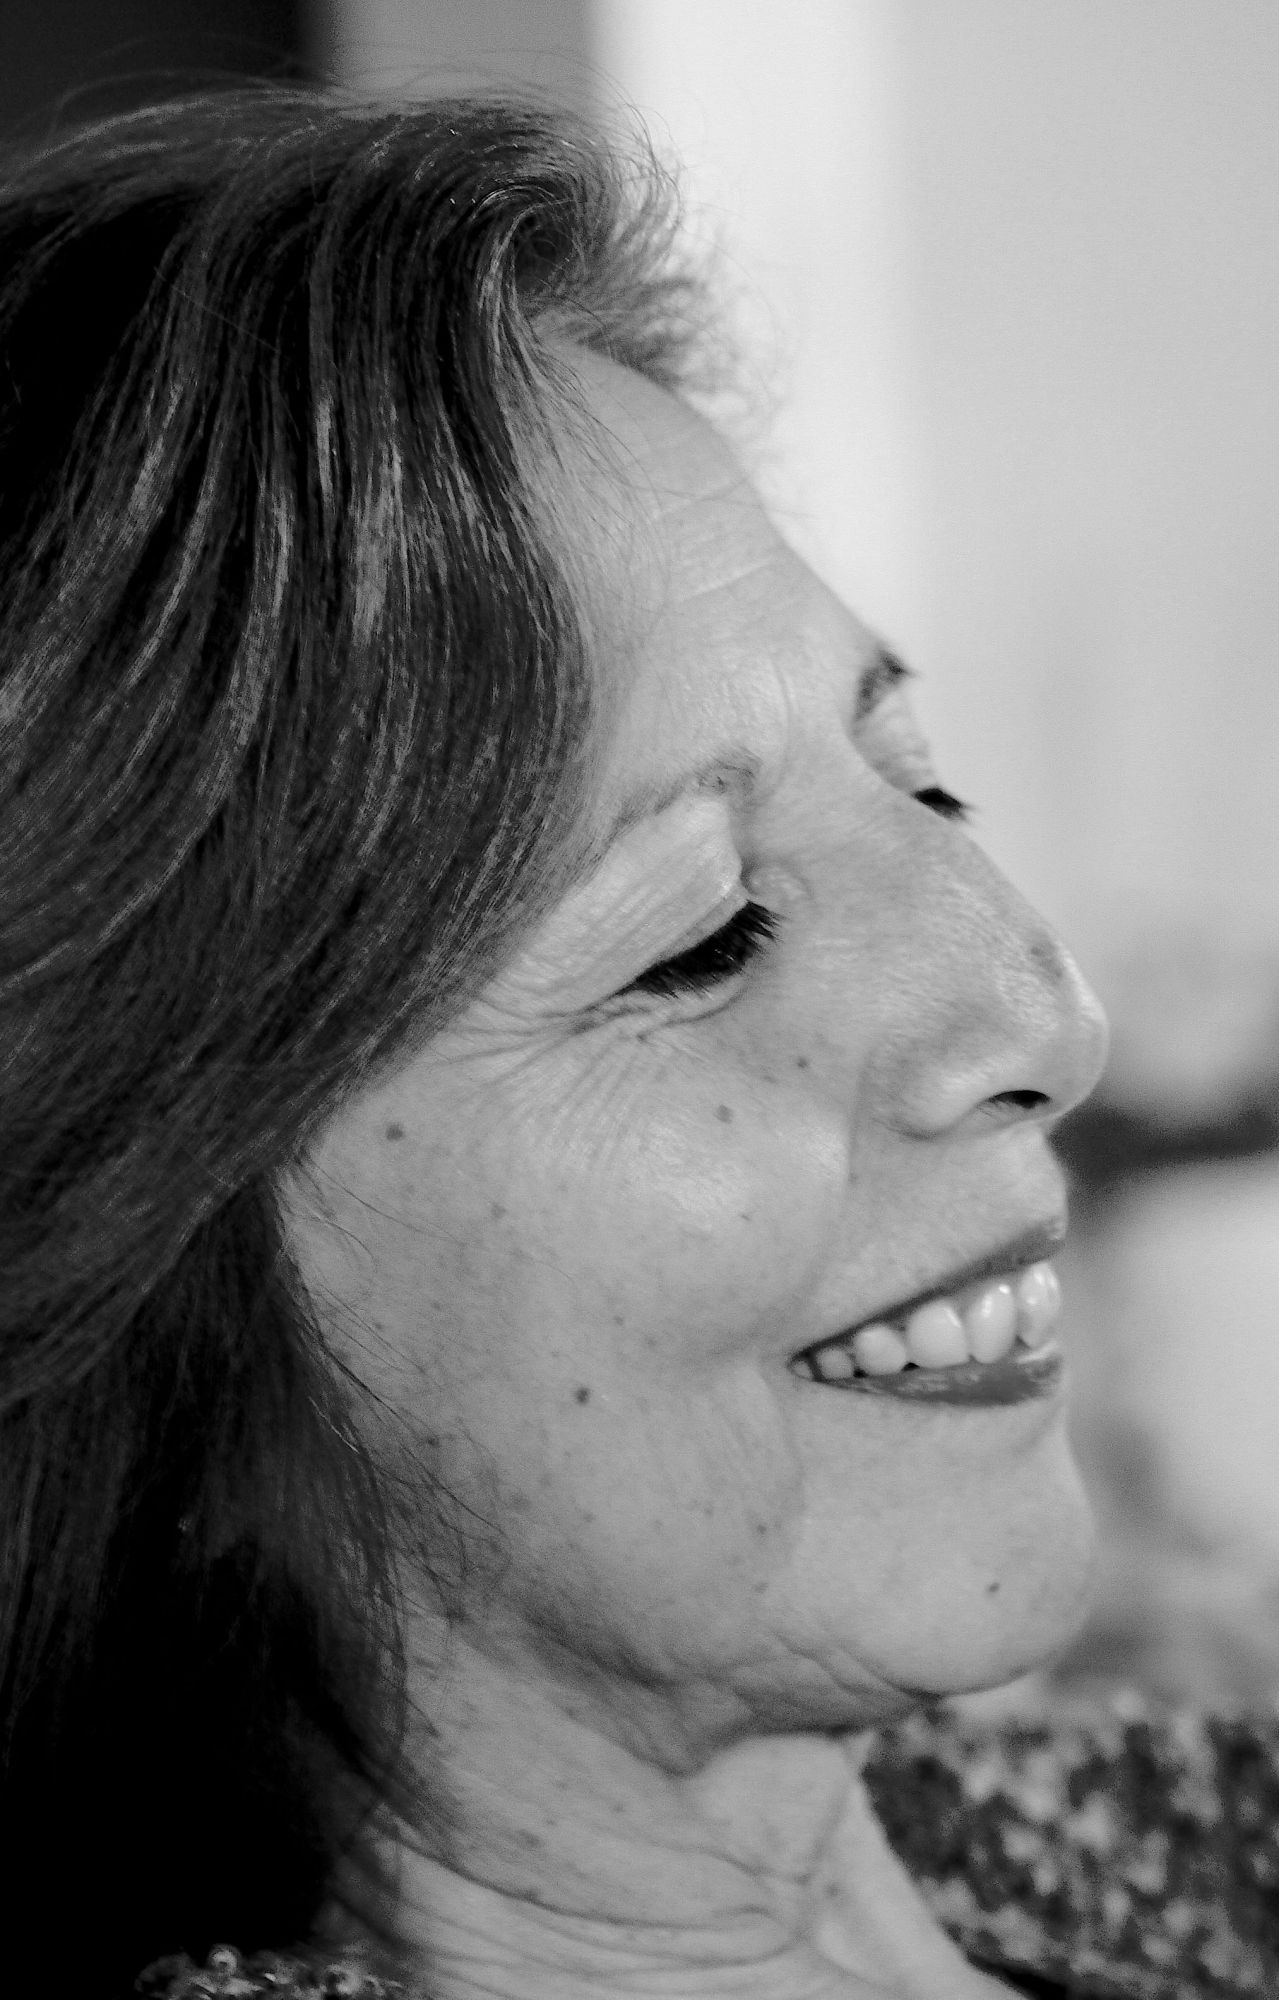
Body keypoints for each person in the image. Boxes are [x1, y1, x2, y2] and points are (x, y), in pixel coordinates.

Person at [0, 89, 1107, 2000]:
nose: (1044, 1016)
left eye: (921, 783)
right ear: (153, 1274)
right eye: (700, 937)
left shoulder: (1174, 1852)